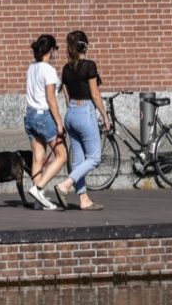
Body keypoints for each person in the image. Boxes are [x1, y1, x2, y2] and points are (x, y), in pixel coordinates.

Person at [52, 30, 110, 211]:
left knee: (78, 160)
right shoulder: (89, 66)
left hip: (71, 113)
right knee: (94, 157)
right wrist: (105, 115)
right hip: (85, 111)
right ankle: (65, 185)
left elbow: (67, 97)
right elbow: (95, 94)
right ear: (85, 46)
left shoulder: (66, 69)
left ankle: (83, 199)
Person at [23, 34, 67, 210]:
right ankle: (39, 188)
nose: (56, 53)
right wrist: (59, 123)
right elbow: (50, 98)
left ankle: (38, 201)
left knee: (37, 158)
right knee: (62, 155)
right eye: (55, 49)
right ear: (50, 50)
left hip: (30, 115)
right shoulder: (49, 70)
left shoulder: (31, 67)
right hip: (44, 117)